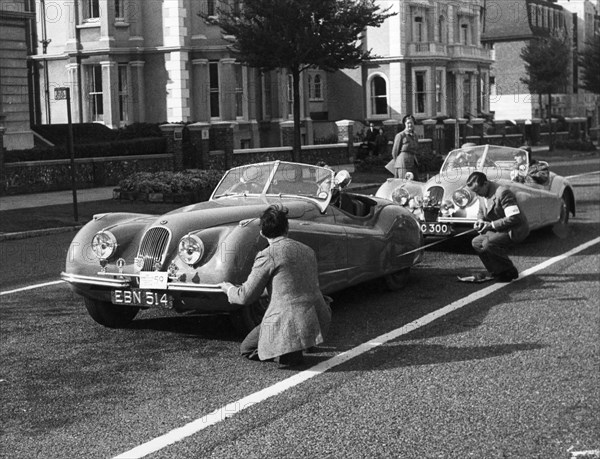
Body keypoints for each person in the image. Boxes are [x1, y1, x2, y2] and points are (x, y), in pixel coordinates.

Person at [219, 205, 331, 367]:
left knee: (247, 348)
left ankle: (287, 353)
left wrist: (229, 289)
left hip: (288, 321)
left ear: (262, 233)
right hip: (317, 317)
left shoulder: (268, 255)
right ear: (287, 229)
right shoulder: (308, 250)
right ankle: (303, 342)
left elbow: (245, 296)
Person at [461, 171, 529, 283]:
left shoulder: (503, 193)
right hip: (499, 228)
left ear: (486, 184)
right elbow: (481, 211)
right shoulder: (482, 193)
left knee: (489, 244)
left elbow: (514, 218)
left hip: (514, 229)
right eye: (475, 192)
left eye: (478, 191)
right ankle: (497, 272)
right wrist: (480, 221)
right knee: (476, 243)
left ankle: (509, 270)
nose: (477, 194)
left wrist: (491, 225)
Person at [391, 114, 420, 180]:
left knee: (415, 184)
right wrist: (398, 162)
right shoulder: (400, 135)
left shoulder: (415, 135)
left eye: (411, 123)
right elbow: (394, 152)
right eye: (408, 123)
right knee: (405, 184)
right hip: (403, 164)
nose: (410, 125)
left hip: (413, 163)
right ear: (405, 124)